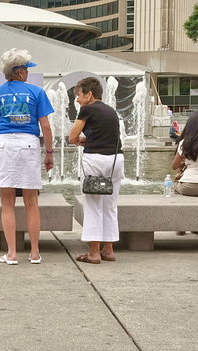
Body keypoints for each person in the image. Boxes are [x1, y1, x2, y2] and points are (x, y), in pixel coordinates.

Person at [0, 48, 54, 265]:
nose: (28, 73)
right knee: (32, 202)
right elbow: (46, 127)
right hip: (28, 144)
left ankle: (12, 253)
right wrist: (49, 153)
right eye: (26, 69)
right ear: (20, 72)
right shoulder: (37, 92)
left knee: (7, 203)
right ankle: (34, 252)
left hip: (3, 144)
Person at [68, 77, 124, 264]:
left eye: (79, 95)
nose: (77, 100)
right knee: (110, 205)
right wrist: (87, 140)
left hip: (96, 160)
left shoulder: (87, 109)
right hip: (116, 159)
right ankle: (108, 250)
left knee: (92, 205)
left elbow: (72, 137)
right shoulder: (110, 110)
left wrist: (80, 141)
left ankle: (93, 252)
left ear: (89, 95)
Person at [172, 110, 198, 235]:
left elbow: (174, 166)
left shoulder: (185, 143)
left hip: (189, 185)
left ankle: (180, 226)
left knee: (174, 188)